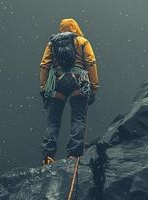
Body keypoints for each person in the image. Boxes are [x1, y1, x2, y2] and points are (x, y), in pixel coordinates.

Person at [39, 18, 99, 166]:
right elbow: (91, 63)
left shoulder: (52, 43)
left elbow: (44, 65)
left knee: (53, 120)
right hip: (78, 83)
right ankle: (74, 154)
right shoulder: (82, 41)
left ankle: (48, 155)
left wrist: (43, 87)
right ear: (75, 27)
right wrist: (94, 87)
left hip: (57, 83)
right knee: (78, 118)